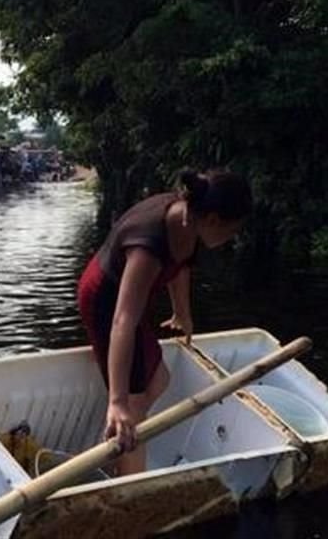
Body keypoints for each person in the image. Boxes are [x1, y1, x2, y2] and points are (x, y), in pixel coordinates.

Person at [76, 169, 252, 476]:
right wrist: (117, 401)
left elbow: (181, 265)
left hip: (128, 299)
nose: (231, 239)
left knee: (159, 380)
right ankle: (128, 484)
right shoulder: (149, 244)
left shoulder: (189, 218)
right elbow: (122, 321)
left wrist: (182, 311)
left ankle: (113, 449)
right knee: (131, 409)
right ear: (212, 220)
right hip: (104, 300)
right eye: (232, 231)